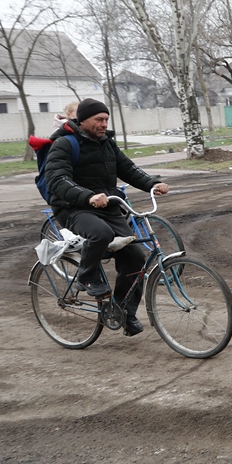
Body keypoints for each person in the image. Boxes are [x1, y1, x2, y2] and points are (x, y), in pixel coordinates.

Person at [43, 98, 169, 337]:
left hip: (107, 206)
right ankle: (86, 276)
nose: (104, 124)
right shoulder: (64, 144)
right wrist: (88, 196)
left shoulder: (106, 144)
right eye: (99, 119)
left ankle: (123, 312)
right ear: (83, 120)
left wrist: (153, 184)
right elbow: (57, 180)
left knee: (134, 257)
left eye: (106, 119)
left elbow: (128, 169)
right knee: (101, 233)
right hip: (73, 208)